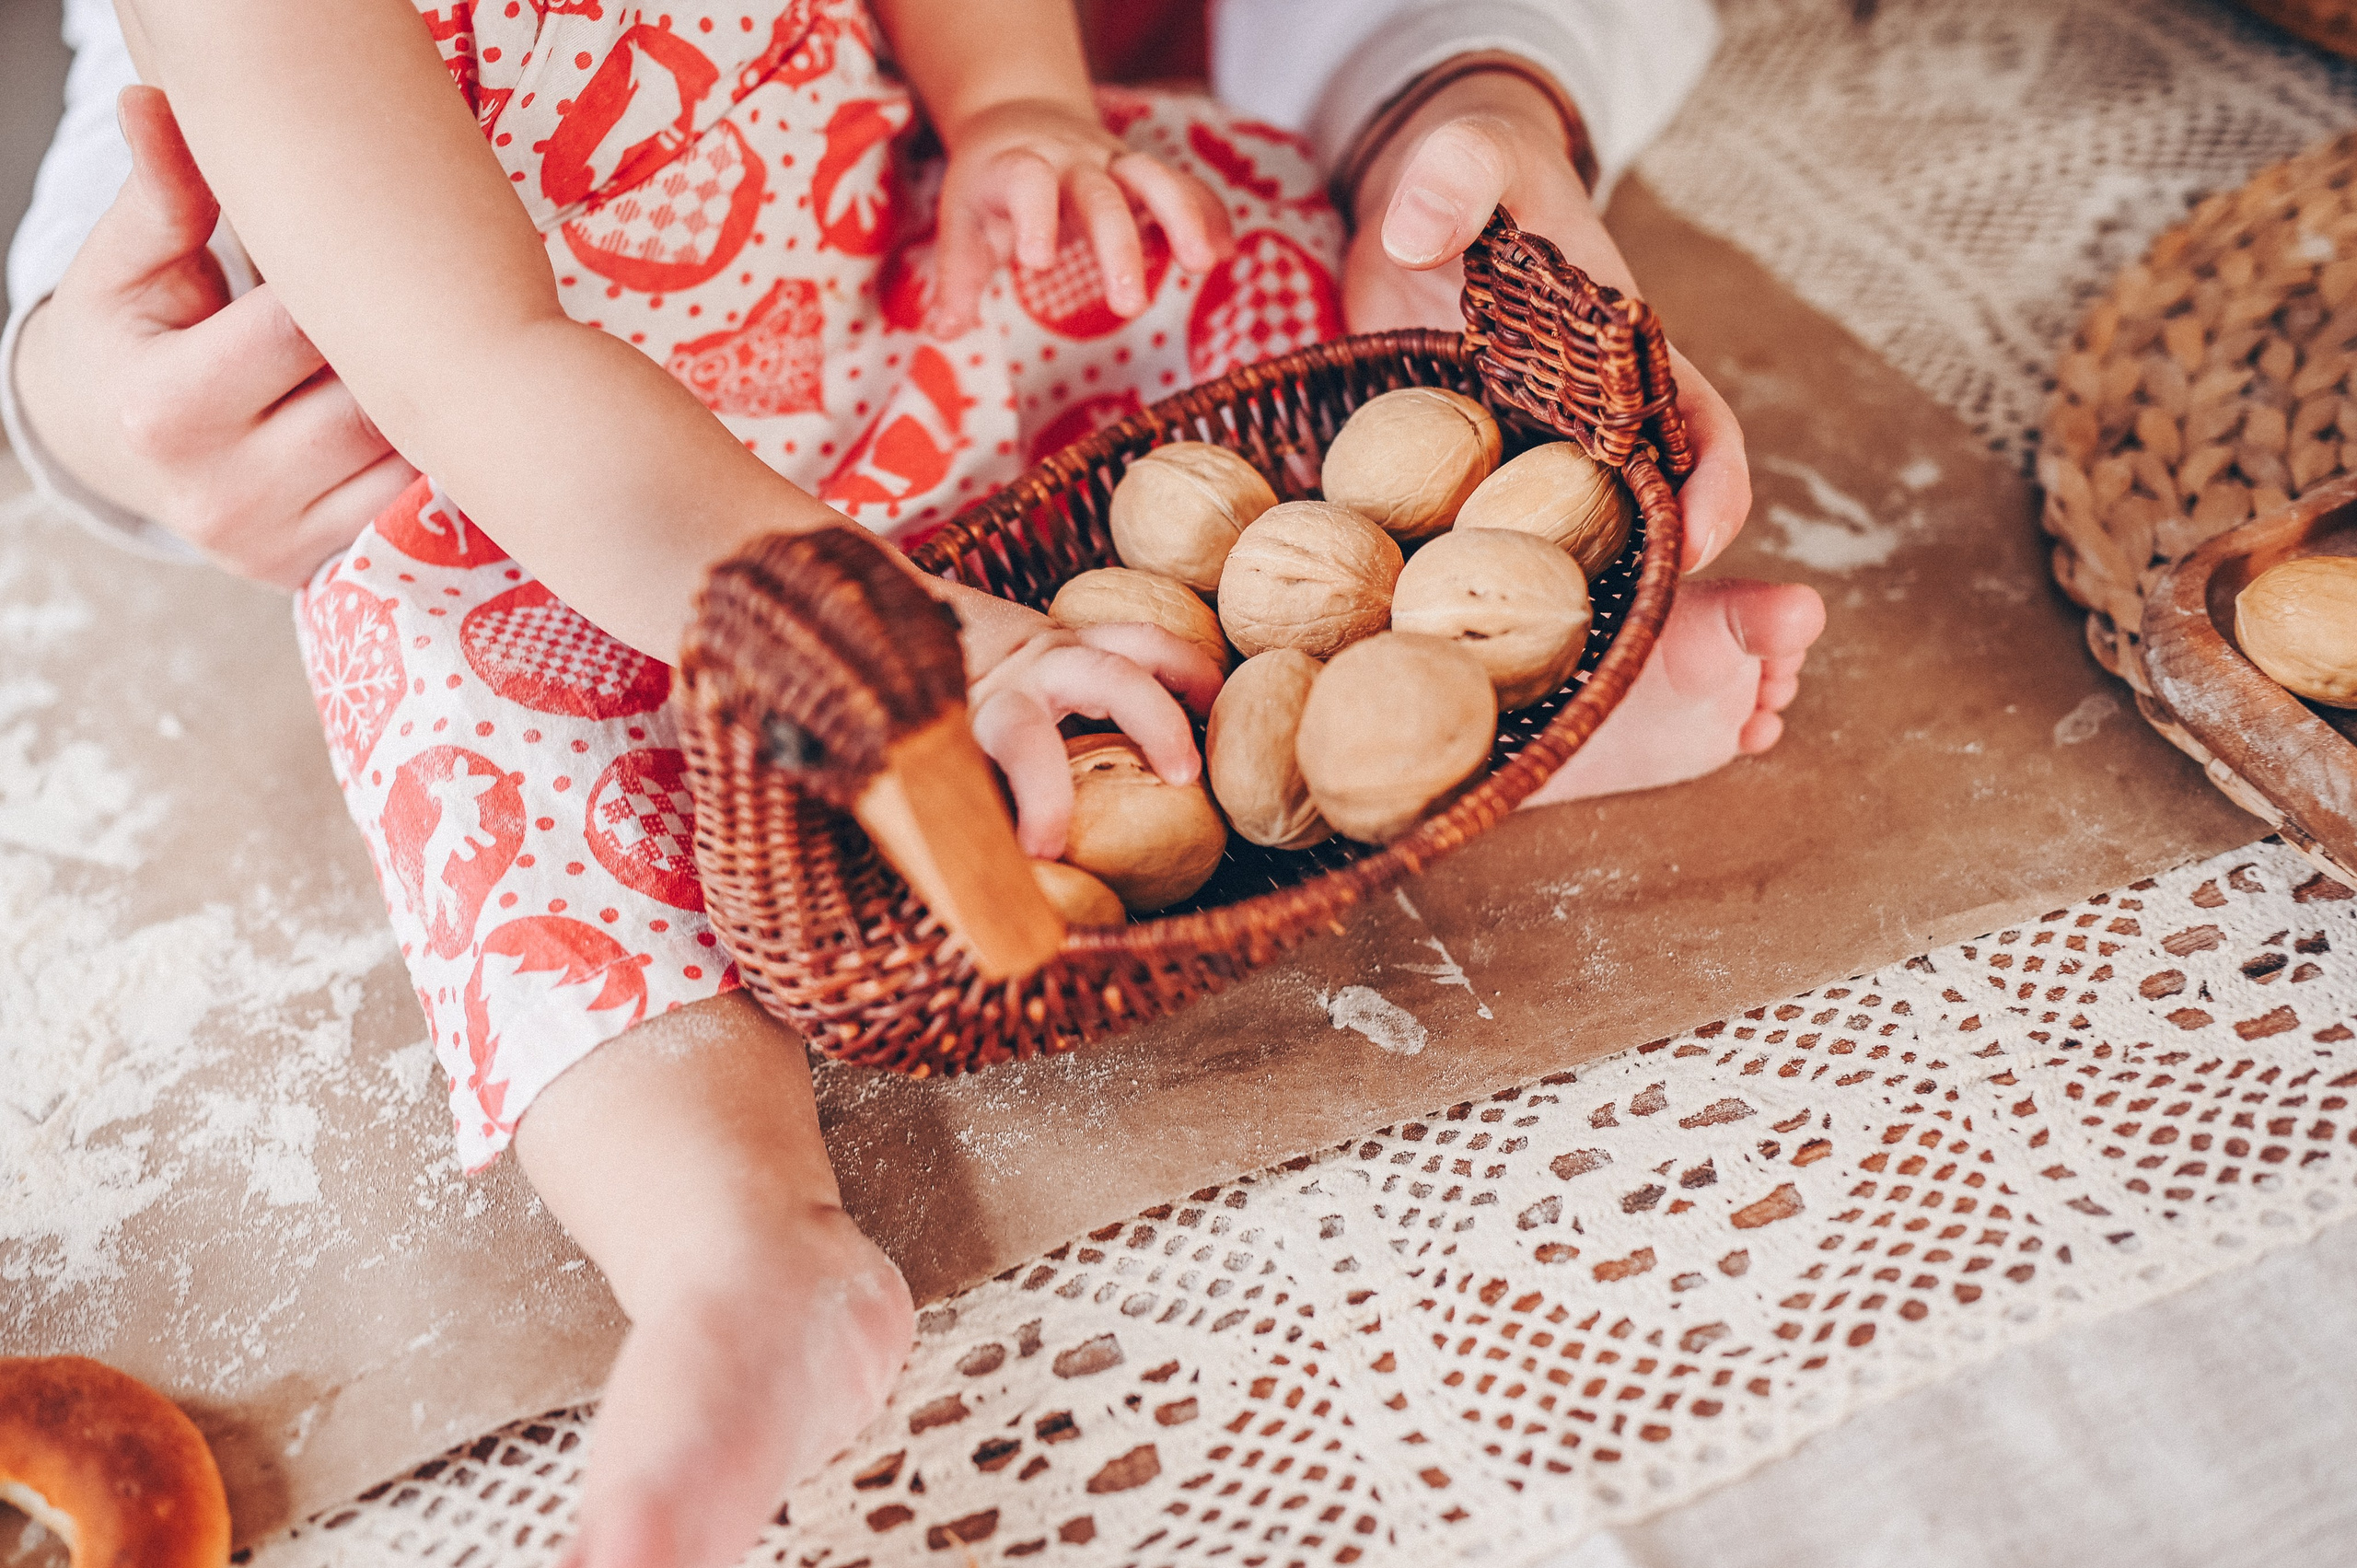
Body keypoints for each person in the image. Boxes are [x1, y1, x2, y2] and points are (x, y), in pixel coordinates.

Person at [2, 3, 1823, 1564]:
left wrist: (1018, 108)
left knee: (1236, 230)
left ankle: (1474, 671)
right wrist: (876, 621)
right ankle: (737, 1249)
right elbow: (484, 361)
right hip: (590, 506)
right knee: (457, 713)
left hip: (886, 279)